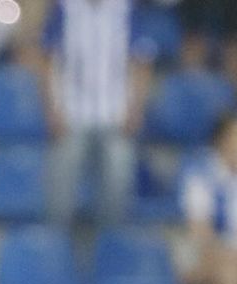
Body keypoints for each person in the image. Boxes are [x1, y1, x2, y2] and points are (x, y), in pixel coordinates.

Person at [24, 0, 157, 230]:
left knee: (118, 178)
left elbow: (142, 60)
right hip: (72, 113)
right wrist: (51, 109)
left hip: (115, 113)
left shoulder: (125, 8)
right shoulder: (65, 7)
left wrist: (136, 108)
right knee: (61, 183)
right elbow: (46, 59)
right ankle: (58, 240)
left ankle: (108, 241)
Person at [182, 113, 237, 284]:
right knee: (229, 276)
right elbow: (199, 233)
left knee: (235, 271)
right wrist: (233, 255)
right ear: (221, 140)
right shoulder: (200, 173)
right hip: (204, 255)